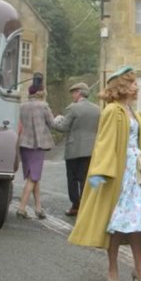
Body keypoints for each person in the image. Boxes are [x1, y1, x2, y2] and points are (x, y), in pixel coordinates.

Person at [68, 66, 141, 281]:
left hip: (136, 174)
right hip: (119, 172)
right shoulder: (112, 111)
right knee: (116, 223)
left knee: (139, 223)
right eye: (133, 82)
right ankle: (112, 268)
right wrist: (101, 172)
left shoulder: (131, 111)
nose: (137, 86)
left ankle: (139, 271)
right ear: (122, 87)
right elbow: (104, 144)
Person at [52, 82, 100, 217]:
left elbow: (63, 128)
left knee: (72, 179)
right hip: (91, 148)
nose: (72, 95)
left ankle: (75, 206)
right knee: (85, 178)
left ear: (79, 92)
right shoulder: (97, 109)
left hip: (74, 149)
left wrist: (56, 121)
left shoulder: (73, 108)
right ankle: (86, 206)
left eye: (73, 92)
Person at [16, 80, 54, 219]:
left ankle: (38, 208)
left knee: (33, 176)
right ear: (42, 92)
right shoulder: (44, 106)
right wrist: (60, 118)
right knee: (33, 178)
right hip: (38, 145)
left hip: (24, 144)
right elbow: (52, 123)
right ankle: (21, 208)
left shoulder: (22, 106)